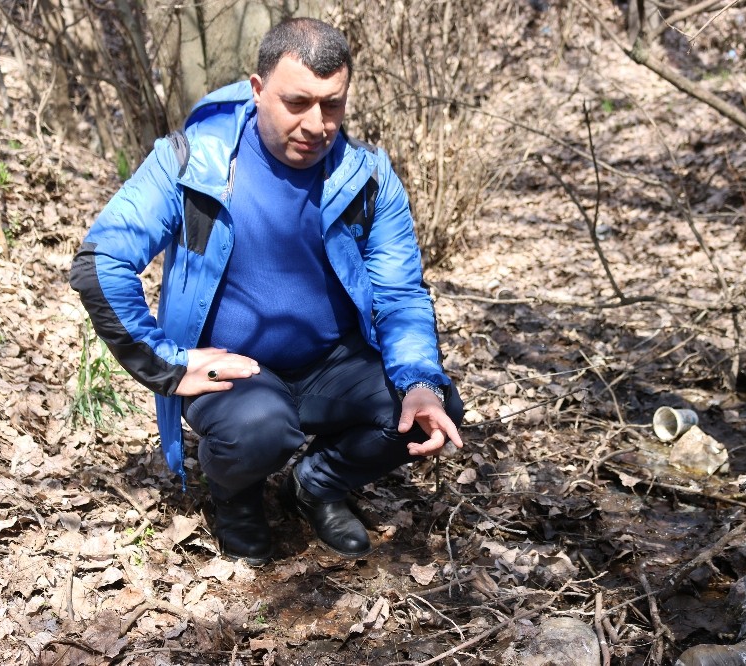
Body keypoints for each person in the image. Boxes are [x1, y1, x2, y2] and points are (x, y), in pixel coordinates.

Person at [70, 17, 464, 565]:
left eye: (332, 105)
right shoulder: (191, 162)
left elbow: (400, 293)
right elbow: (101, 261)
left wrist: (420, 378)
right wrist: (167, 363)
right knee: (259, 429)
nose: (316, 124)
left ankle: (315, 484)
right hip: (234, 372)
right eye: (296, 102)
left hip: (331, 362)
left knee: (428, 403)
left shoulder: (366, 177)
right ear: (258, 90)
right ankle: (234, 496)